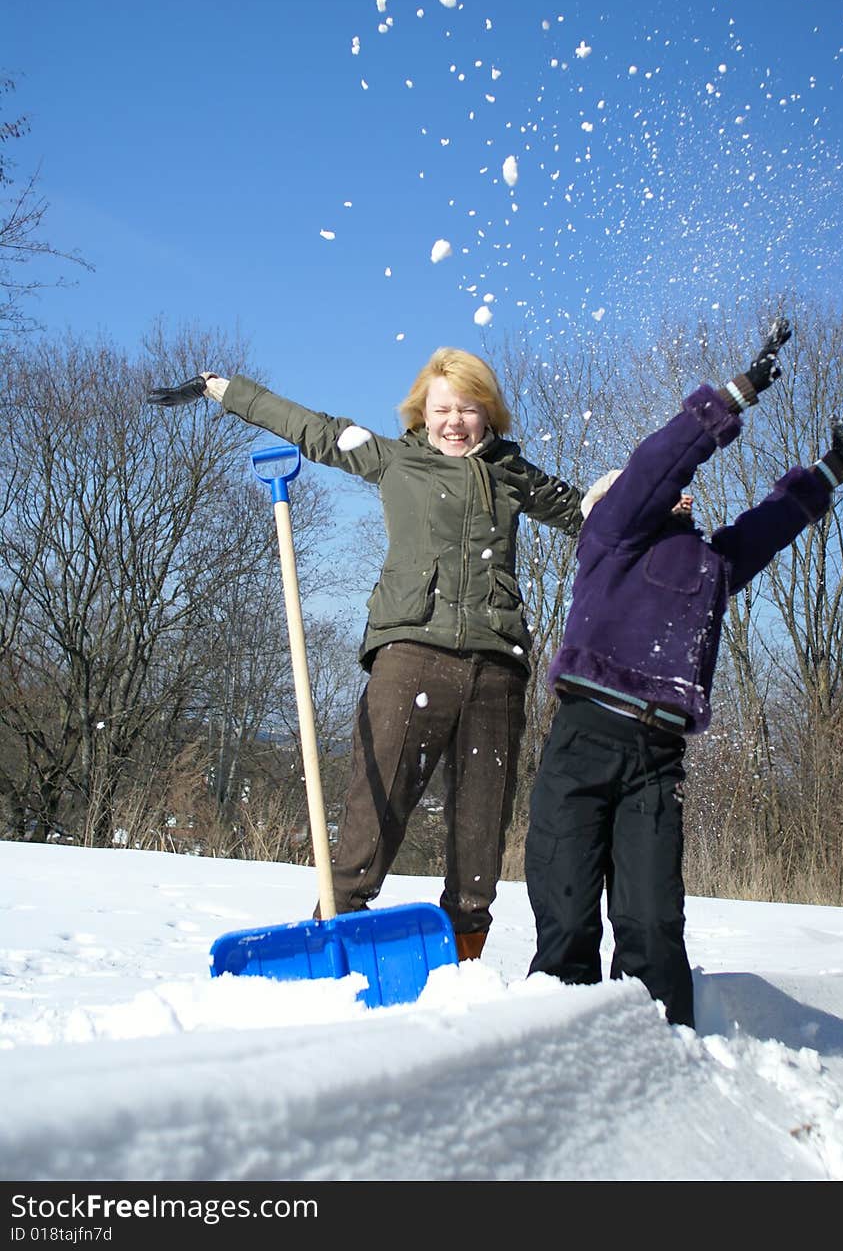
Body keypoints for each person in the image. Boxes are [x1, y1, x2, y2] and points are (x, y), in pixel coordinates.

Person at [155, 349, 586, 961]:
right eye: (442, 409)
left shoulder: (516, 475)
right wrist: (221, 390)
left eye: (468, 408)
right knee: (374, 809)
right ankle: (335, 935)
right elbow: (315, 429)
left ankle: (464, 954)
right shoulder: (394, 459)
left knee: (482, 827)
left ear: (489, 413)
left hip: (497, 667)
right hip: (411, 653)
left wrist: (658, 505)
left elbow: (592, 516)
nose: (454, 422)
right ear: (422, 413)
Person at [524, 319, 843, 1027]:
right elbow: (658, 464)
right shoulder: (613, 535)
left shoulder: (708, 567)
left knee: (654, 926)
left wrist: (836, 465)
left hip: (657, 758)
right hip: (582, 740)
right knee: (566, 915)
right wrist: (734, 394)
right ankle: (554, 1043)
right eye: (657, 490)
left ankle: (660, 1056)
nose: (677, 494)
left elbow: (771, 524)